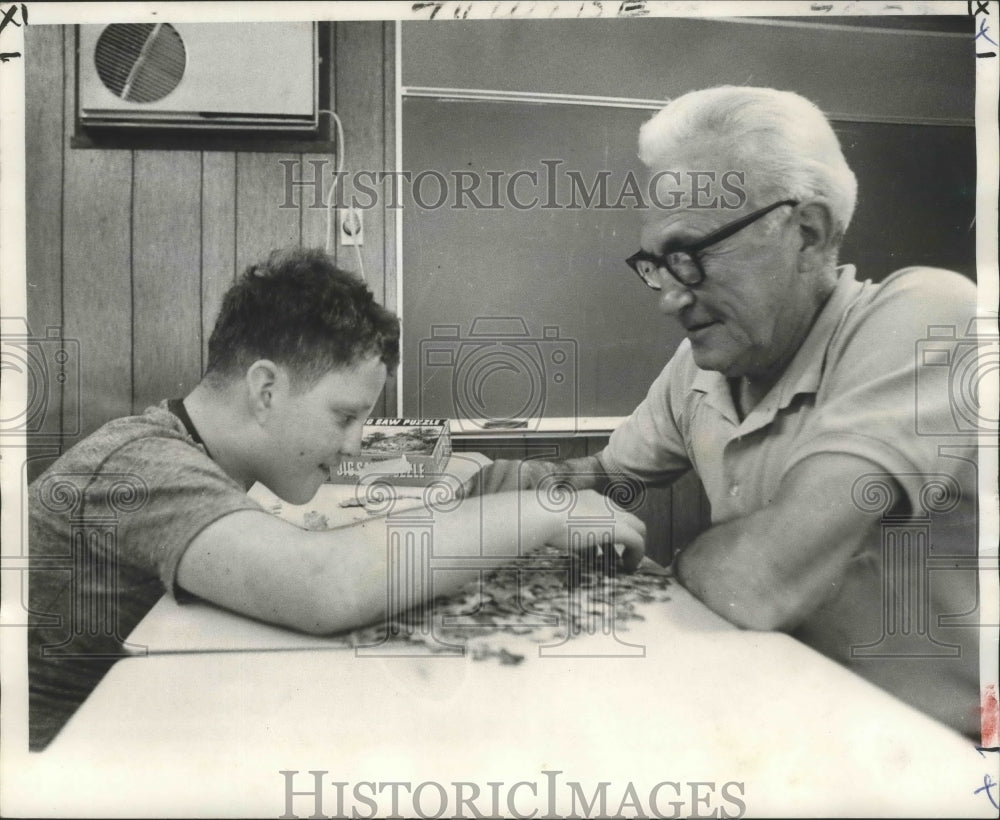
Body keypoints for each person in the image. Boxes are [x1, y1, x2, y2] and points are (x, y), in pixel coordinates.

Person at [479, 86, 982, 738]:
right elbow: (604, 474)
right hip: (779, 717)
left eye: (692, 256)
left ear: (808, 232)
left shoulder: (934, 315)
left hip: (941, 756)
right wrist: (532, 487)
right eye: (658, 265)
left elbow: (760, 578)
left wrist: (676, 560)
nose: (668, 299)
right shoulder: (706, 363)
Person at [27, 247, 646, 751]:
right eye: (345, 416)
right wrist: (547, 510)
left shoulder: (184, 449)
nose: (355, 444)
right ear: (266, 389)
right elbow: (323, 586)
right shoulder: (141, 464)